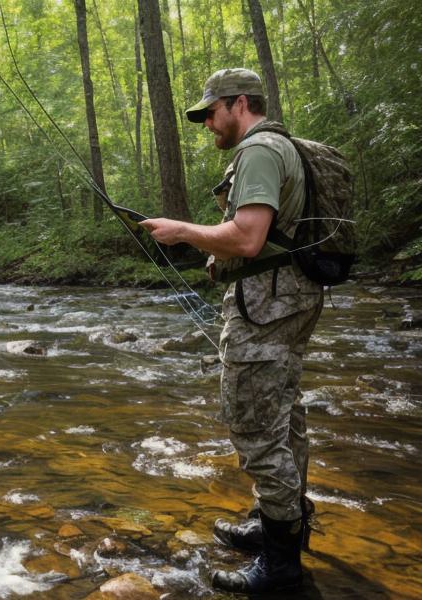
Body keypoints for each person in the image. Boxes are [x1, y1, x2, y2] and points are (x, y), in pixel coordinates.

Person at [139, 68, 322, 594]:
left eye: (210, 113)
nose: (206, 125)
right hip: (290, 298)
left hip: (267, 306)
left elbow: (246, 237)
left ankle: (281, 564)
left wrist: (181, 232)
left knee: (256, 426)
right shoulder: (286, 146)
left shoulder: (260, 151)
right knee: (284, 417)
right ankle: (277, 525)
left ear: (239, 104)